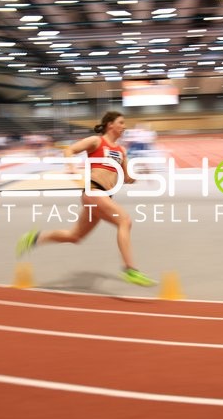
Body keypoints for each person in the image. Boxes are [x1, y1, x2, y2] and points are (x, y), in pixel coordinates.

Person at [16, 111, 156, 287]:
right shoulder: (97, 141)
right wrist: (71, 167)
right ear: (110, 124)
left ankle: (35, 238)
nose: (124, 126)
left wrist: (142, 171)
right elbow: (69, 150)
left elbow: (127, 178)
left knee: (75, 236)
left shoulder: (122, 151)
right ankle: (130, 270)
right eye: (121, 122)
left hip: (104, 197)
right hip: (94, 192)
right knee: (125, 221)